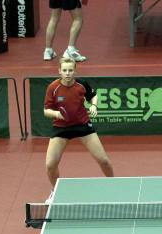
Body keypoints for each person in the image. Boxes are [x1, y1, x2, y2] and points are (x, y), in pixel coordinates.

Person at [43, 57, 114, 204]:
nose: (67, 73)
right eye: (64, 70)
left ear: (75, 70)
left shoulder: (81, 85)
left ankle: (114, 185)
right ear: (59, 71)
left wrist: (94, 106)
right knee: (50, 164)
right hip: (61, 127)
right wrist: (56, 114)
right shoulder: (53, 87)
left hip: (82, 126)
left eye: (70, 70)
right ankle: (55, 190)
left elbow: (93, 96)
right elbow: (46, 110)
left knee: (104, 160)